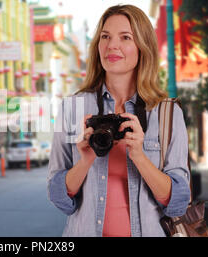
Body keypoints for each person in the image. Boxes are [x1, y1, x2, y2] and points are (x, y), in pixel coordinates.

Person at [47, 5, 190, 237]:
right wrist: (85, 160)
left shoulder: (167, 113)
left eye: (125, 37)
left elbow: (178, 203)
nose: (112, 45)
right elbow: (60, 200)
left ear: (142, 47)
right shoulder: (72, 108)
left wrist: (139, 157)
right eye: (105, 37)